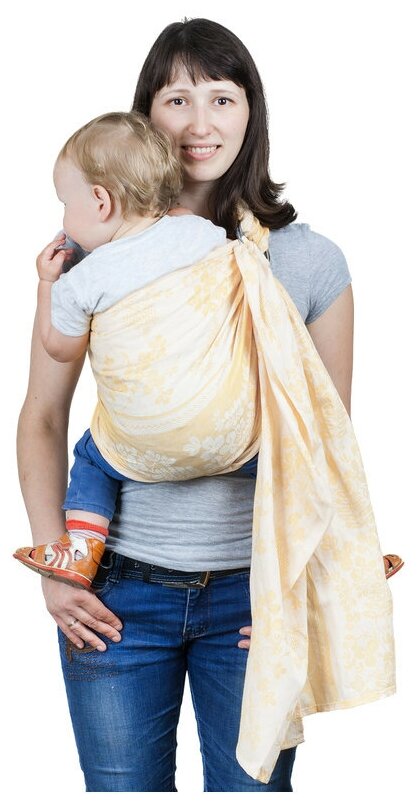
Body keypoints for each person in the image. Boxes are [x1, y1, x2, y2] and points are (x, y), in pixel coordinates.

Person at [16, 18, 400, 793]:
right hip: (115, 594)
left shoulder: (307, 261)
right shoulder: (91, 257)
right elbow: (44, 417)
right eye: (177, 99)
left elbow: (325, 441)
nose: (200, 123)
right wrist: (57, 567)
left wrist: (309, 587)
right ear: (144, 116)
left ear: (251, 112)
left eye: (222, 98)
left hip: (254, 600)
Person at [13, 110, 228, 589]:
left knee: (93, 456)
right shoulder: (202, 234)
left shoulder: (85, 277)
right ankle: (336, 544)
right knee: (291, 446)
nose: (64, 218)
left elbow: (60, 348)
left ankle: (80, 550)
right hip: (227, 431)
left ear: (100, 201)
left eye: (64, 203)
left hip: (142, 442)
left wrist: (47, 284)